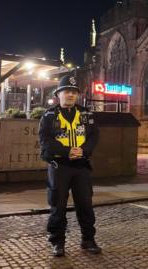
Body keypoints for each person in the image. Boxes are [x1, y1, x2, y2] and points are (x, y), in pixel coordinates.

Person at [39, 75, 101, 257]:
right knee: (58, 205)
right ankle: (57, 242)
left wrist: (84, 150)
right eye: (67, 91)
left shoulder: (86, 114)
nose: (71, 95)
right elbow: (45, 141)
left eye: (74, 92)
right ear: (59, 94)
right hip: (60, 166)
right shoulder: (49, 115)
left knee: (85, 204)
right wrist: (67, 151)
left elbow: (94, 136)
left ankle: (88, 240)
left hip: (81, 165)